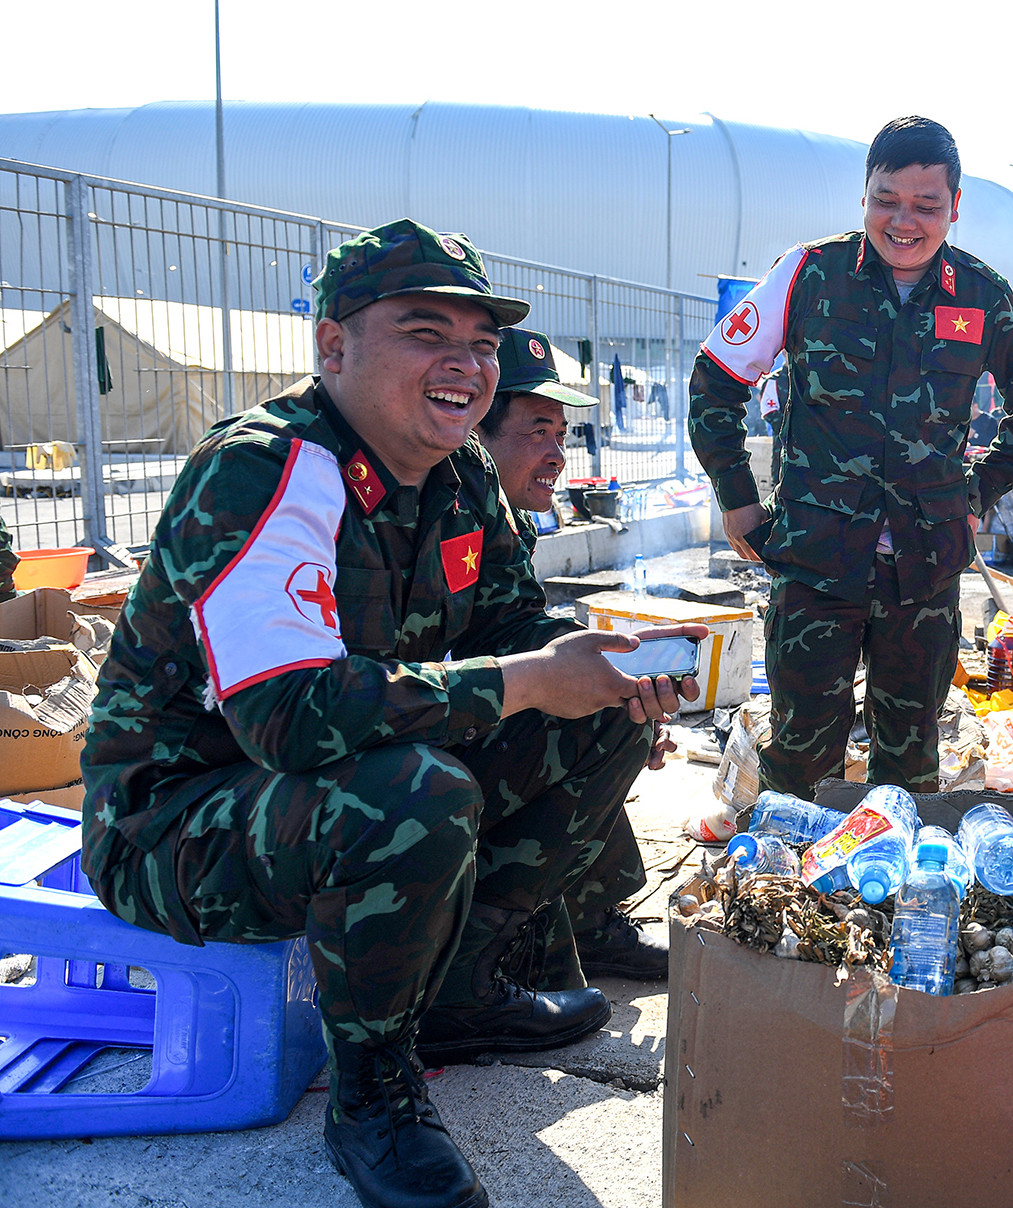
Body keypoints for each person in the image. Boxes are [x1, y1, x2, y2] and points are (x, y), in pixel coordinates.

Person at [79, 219, 704, 1208]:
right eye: (425, 333)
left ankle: (459, 984)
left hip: (330, 779)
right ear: (333, 347)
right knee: (415, 791)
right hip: (178, 818)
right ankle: (373, 1091)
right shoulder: (266, 468)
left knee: (598, 711)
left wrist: (618, 664)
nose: (463, 365)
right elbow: (285, 718)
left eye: (482, 343)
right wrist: (532, 678)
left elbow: (508, 625)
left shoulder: (460, 476)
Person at [689, 117, 1013, 796]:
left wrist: (976, 492)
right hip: (816, 564)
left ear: (955, 208)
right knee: (801, 757)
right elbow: (717, 378)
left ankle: (889, 893)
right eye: (886, 200)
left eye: (926, 206)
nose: (904, 221)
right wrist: (738, 499)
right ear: (863, 196)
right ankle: (791, 892)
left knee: (910, 764)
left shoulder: (979, 294)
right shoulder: (808, 273)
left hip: (922, 576)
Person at [474, 327, 670, 985]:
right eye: (537, 432)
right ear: (478, 431)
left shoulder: (501, 517)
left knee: (611, 705)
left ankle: (589, 921)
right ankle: (494, 947)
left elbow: (514, 626)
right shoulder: (442, 508)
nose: (557, 455)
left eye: (561, 435)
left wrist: (612, 675)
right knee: (598, 718)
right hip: (416, 730)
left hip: (462, 709)